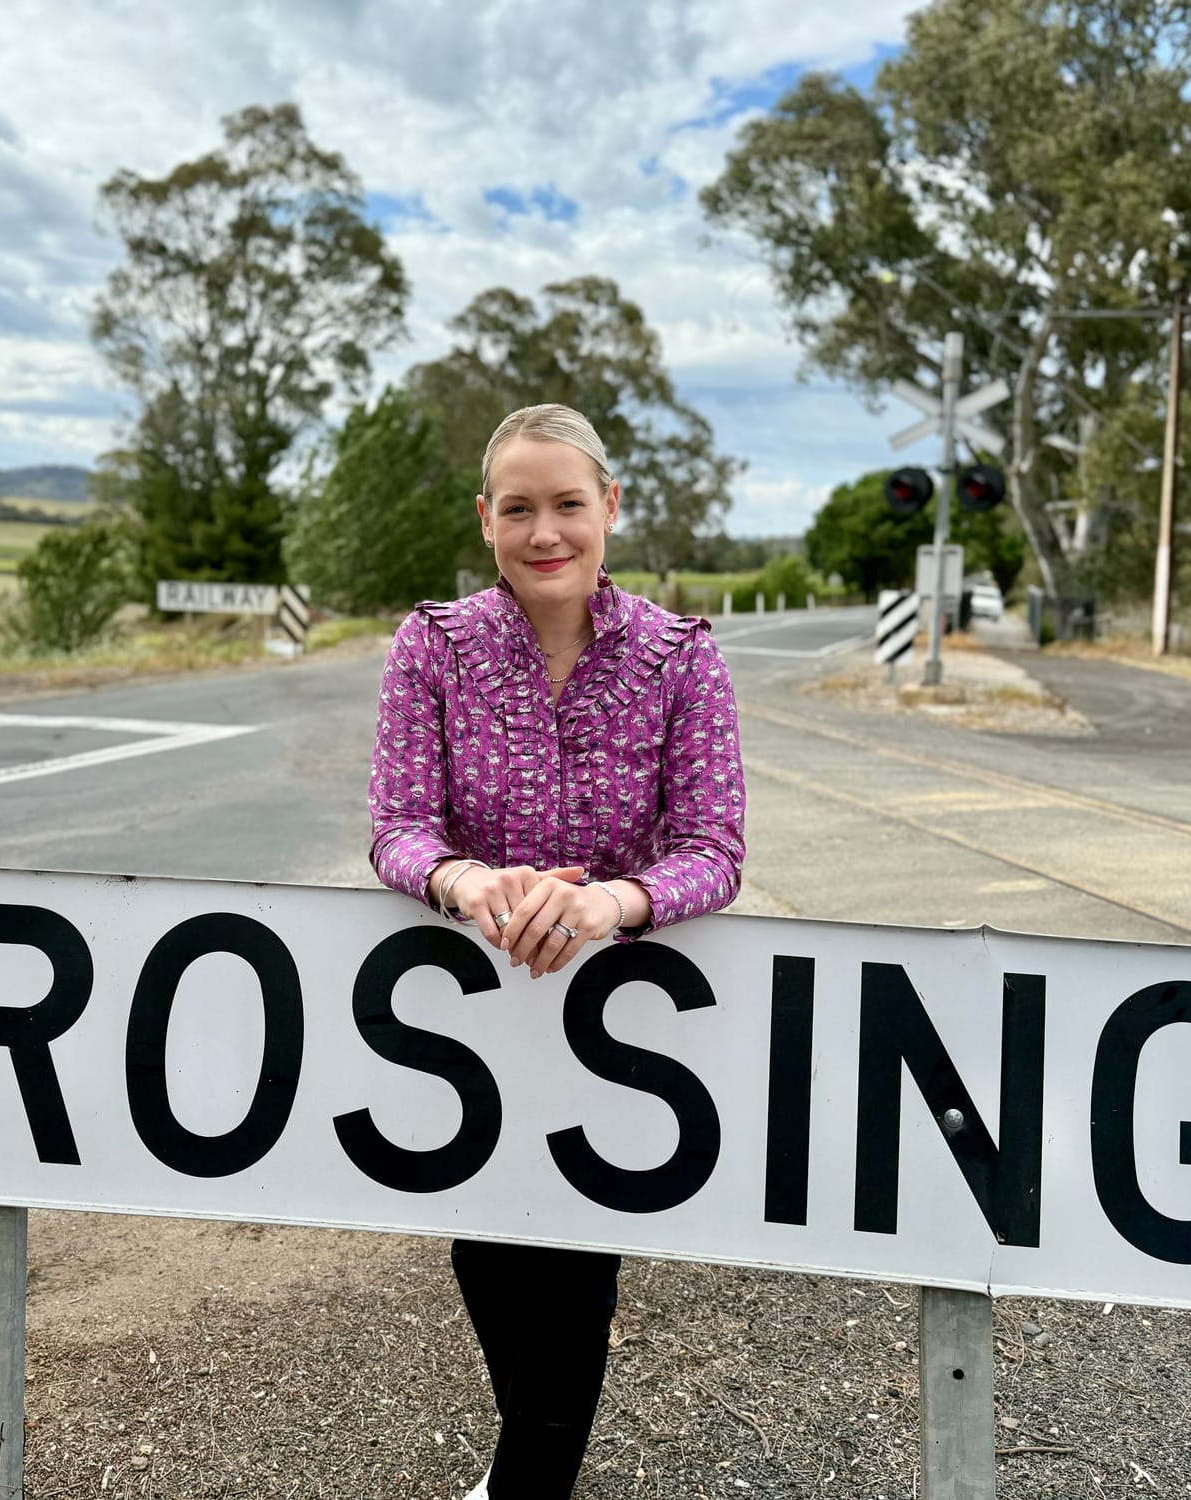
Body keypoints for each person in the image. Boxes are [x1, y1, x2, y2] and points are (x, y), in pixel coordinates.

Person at [367, 403, 747, 1499]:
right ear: (486, 521)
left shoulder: (682, 659)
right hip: (472, 1017)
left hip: (619, 1021)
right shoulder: (430, 648)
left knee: (578, 1270)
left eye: (567, 505)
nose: (546, 532)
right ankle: (523, 1469)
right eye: (519, 509)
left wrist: (611, 905)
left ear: (608, 509)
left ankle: (526, 1480)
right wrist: (466, 881)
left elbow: (713, 851)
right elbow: (397, 828)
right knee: (486, 1247)